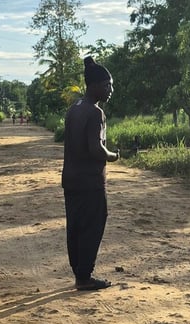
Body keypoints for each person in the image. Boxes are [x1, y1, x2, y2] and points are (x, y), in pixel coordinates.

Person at [61, 56, 120, 290]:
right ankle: (84, 277)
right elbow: (96, 149)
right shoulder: (96, 113)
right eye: (107, 85)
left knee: (75, 227)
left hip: (71, 180)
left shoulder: (74, 109)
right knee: (92, 228)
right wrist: (113, 156)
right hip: (90, 183)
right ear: (94, 86)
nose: (110, 90)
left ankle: (79, 272)